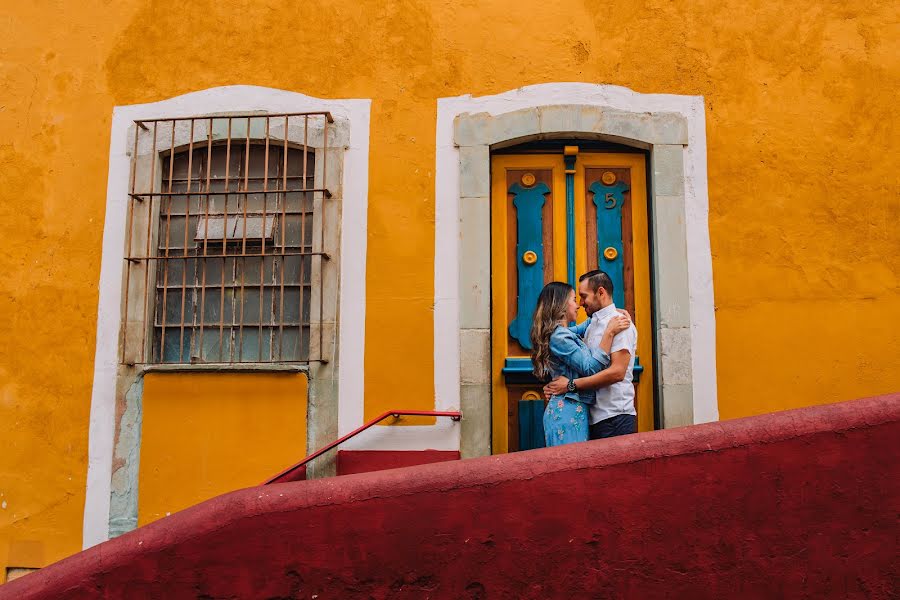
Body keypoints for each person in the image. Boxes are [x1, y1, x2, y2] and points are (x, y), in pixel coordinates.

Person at [530, 281, 631, 446]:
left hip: (574, 409)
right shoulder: (559, 337)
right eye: (574, 299)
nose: (578, 305)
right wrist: (609, 332)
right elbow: (590, 368)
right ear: (561, 304)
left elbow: (587, 325)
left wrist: (610, 313)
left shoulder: (563, 333)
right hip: (567, 412)